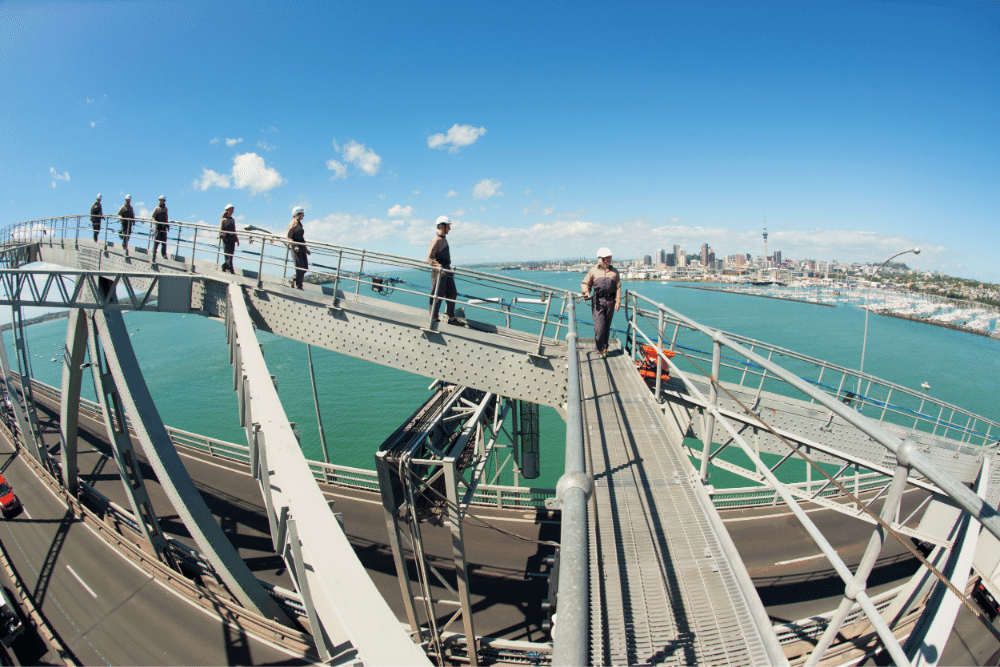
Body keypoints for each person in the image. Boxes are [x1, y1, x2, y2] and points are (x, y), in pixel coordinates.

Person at [581, 247, 621, 358]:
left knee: (607, 326)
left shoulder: (614, 272)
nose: (610, 259)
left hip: (610, 302)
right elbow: (585, 283)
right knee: (599, 327)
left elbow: (618, 287)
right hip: (598, 302)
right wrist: (586, 292)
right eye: (608, 257)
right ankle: (599, 348)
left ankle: (604, 348)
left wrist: (618, 301)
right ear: (602, 259)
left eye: (610, 257)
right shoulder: (593, 271)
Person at [427, 215, 460, 324]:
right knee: (437, 295)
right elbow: (429, 258)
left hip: (447, 271)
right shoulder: (435, 240)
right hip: (439, 272)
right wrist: (438, 266)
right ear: (442, 226)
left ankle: (451, 317)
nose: (449, 228)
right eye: (448, 226)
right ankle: (434, 318)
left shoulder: (443, 239)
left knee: (452, 292)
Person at [286, 207, 309, 289]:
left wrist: (306, 249)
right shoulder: (294, 223)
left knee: (305, 268)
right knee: (300, 268)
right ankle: (299, 286)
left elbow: (301, 238)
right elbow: (288, 237)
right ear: (298, 214)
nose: (304, 215)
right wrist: (295, 246)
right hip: (296, 248)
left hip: (302, 247)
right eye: (303, 214)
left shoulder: (299, 223)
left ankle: (293, 279)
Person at [219, 204, 239, 273]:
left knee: (231, 255)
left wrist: (237, 239)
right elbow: (220, 231)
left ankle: (224, 267)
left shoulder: (233, 220)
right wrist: (222, 234)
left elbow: (234, 230)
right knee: (228, 255)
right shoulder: (223, 220)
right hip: (226, 239)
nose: (232, 211)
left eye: (232, 210)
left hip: (232, 239)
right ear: (227, 211)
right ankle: (231, 270)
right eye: (230, 210)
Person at [152, 195, 169, 260]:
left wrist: (167, 225)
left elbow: (166, 218)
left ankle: (164, 255)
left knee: (164, 243)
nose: (160, 201)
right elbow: (153, 217)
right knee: (156, 242)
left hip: (163, 228)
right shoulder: (156, 208)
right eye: (159, 200)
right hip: (158, 228)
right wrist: (155, 222)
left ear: (164, 201)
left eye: (161, 200)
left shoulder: (165, 209)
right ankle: (154, 253)